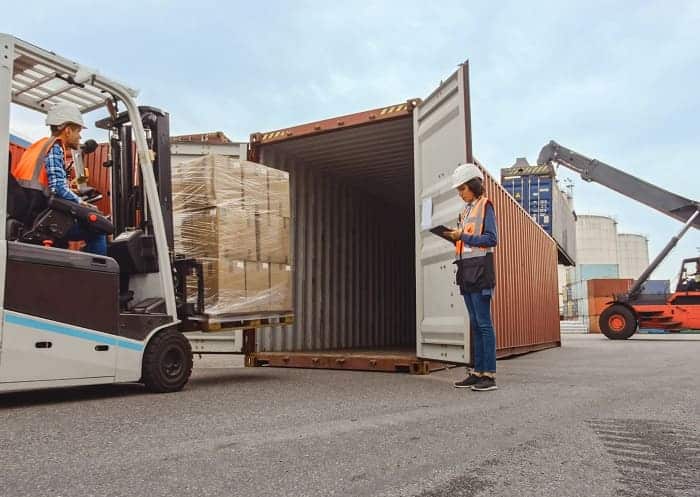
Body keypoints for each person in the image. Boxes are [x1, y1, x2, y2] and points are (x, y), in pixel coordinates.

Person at [11, 103, 107, 255]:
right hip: (42, 219)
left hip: (28, 214)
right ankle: (97, 277)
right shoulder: (55, 147)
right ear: (67, 130)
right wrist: (80, 202)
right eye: (78, 131)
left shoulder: (36, 147)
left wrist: (74, 194)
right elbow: (58, 187)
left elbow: (45, 184)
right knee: (99, 230)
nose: (80, 136)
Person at [446, 163, 499, 391]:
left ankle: (489, 375)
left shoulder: (486, 206)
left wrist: (463, 237)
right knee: (475, 324)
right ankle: (477, 371)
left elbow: (490, 238)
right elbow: (466, 240)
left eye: (462, 189)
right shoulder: (466, 211)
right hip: (466, 270)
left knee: (484, 324)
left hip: (481, 270)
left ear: (474, 186)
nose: (460, 193)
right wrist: (453, 237)